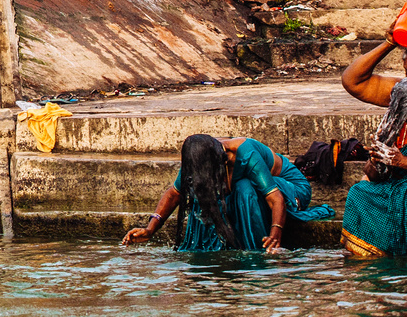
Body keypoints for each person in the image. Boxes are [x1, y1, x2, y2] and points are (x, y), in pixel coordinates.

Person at [124, 133, 330, 251]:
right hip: (261, 194)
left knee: (244, 188)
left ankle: (254, 249)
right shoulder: (199, 162)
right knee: (200, 190)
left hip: (291, 188)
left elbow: (275, 198)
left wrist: (275, 236)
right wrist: (150, 229)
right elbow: (174, 194)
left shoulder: (244, 152)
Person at [337, 31, 407, 256]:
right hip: (398, 182)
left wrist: (403, 162)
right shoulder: (401, 92)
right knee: (360, 191)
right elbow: (353, 80)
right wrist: (389, 42)